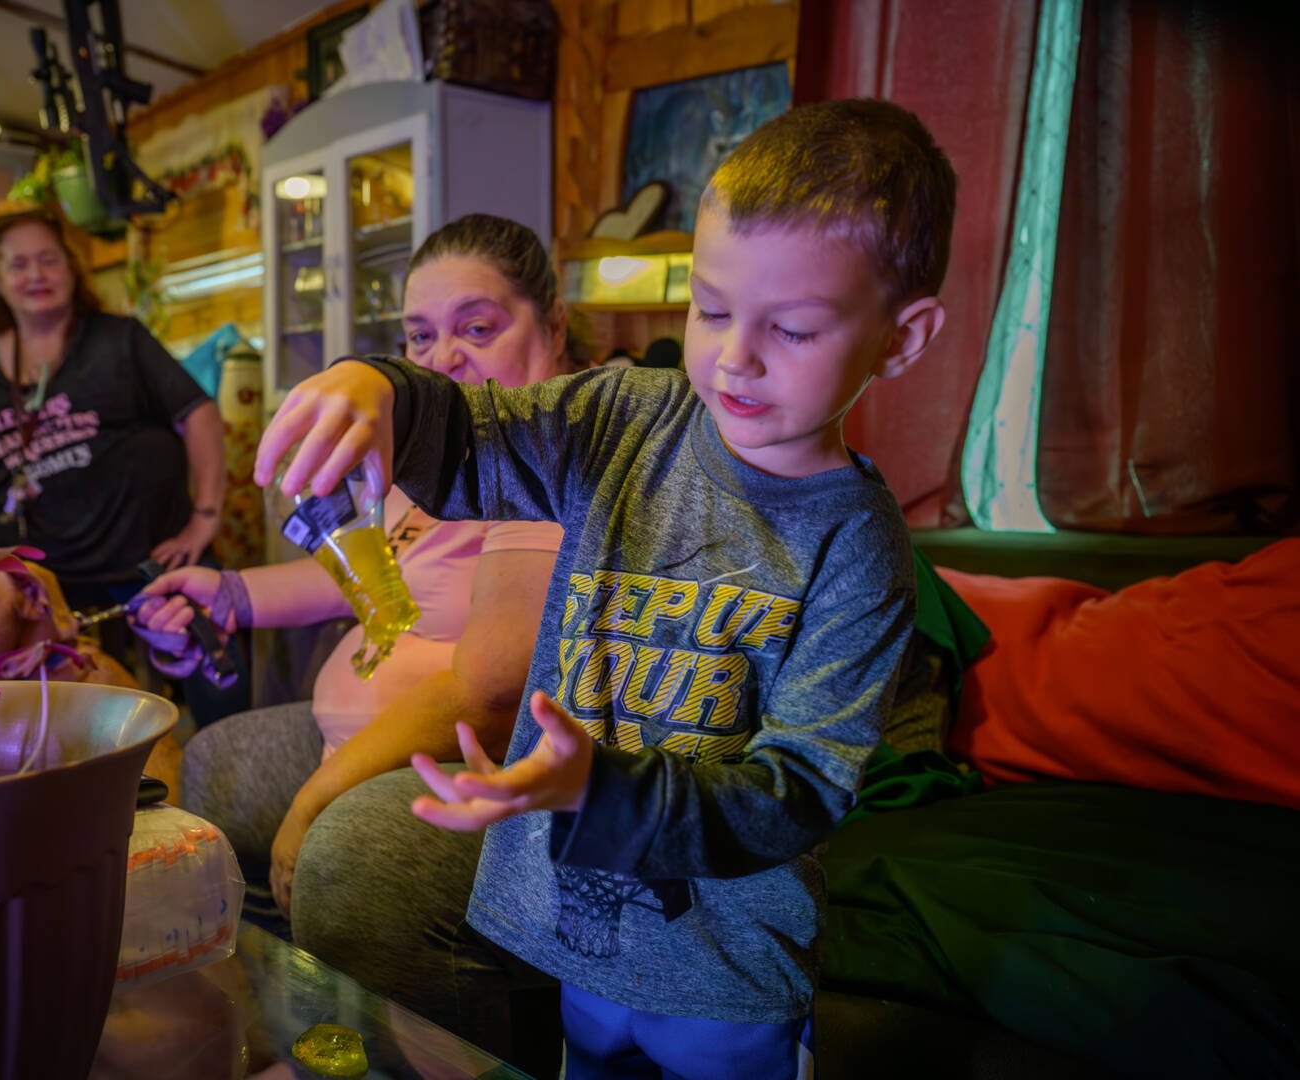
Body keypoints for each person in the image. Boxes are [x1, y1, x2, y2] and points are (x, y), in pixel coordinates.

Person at [251, 99, 955, 1079]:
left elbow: (800, 792)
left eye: (791, 328)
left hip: (727, 974)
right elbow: (474, 441)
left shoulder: (859, 544)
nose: (735, 357)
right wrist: (380, 391)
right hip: (576, 940)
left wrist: (601, 789)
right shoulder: (625, 413)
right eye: (710, 310)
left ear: (904, 336)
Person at [134, 214, 581, 1062]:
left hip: (455, 758)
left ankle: (426, 1041)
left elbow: (489, 696)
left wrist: (314, 800)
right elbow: (371, 573)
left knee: (348, 860)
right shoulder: (448, 453)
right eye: (420, 336)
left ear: (552, 325)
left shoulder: (555, 456)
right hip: (364, 731)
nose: (444, 357)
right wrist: (225, 594)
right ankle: (313, 1002)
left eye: (477, 329)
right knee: (216, 762)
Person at [0, 203, 224, 623]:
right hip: (17, 570)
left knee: (219, 652)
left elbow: (199, 413)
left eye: (48, 260)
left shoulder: (120, 338)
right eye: (19, 264)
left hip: (140, 558)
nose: (36, 275)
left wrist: (204, 519)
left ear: (72, 268)